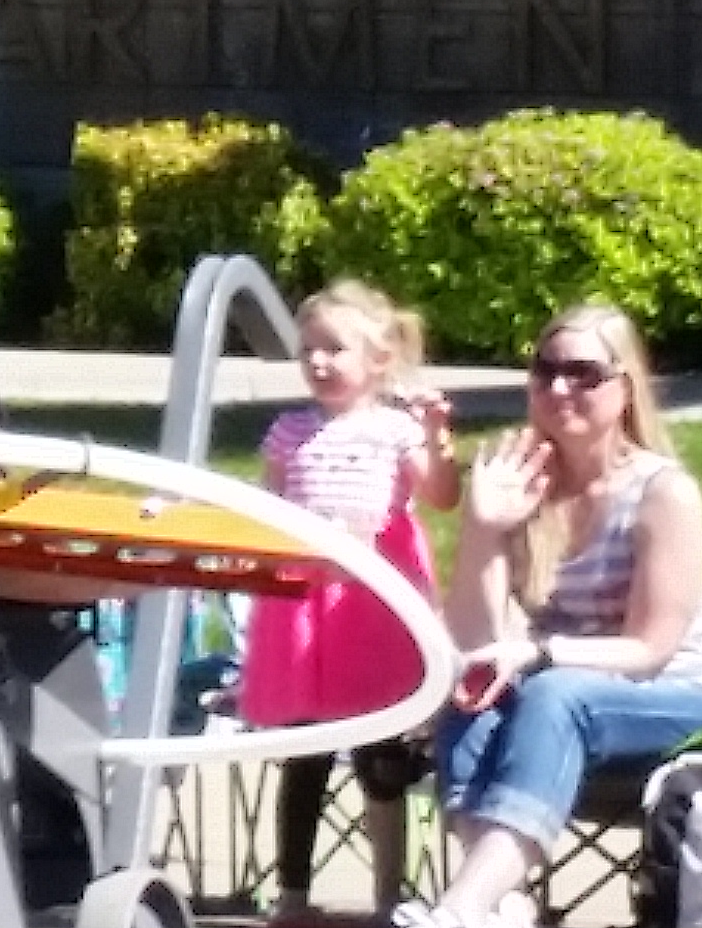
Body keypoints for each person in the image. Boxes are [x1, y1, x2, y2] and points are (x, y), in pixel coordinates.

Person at [409, 301, 702, 928]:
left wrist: (539, 654)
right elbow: (474, 637)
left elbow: (651, 650)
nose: (560, 387)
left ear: (625, 387)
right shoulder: (523, 480)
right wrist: (483, 527)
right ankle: (500, 904)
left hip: (681, 699)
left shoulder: (662, 492)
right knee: (474, 690)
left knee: (555, 693)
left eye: (584, 373)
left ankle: (461, 907)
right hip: (561, 699)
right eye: (544, 370)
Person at [251, 278, 459, 925]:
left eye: (334, 349)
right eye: (307, 348)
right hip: (310, 610)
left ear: (378, 361)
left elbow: (443, 496)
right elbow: (269, 505)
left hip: (374, 608)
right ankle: (291, 892)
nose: (317, 362)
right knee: (306, 753)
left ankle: (389, 895)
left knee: (382, 754)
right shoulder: (289, 431)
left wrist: (437, 439)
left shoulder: (396, 432)